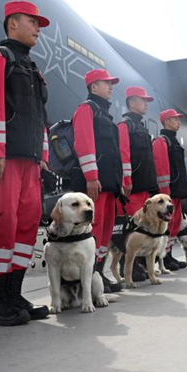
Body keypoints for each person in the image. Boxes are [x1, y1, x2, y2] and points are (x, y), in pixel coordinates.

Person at [0, 0, 51, 325]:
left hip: (29, 163)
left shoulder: (33, 69)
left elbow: (41, 119)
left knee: (26, 228)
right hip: (1, 162)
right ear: (12, 24)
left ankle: (13, 295)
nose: (37, 29)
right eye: (32, 22)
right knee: (1, 228)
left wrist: (44, 158)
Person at [71, 69, 124, 293]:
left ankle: (98, 275)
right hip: (96, 185)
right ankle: (87, 279)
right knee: (94, 229)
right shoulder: (86, 110)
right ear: (94, 87)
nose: (111, 87)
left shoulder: (105, 115)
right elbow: (84, 144)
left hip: (109, 185)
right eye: (106, 83)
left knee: (105, 231)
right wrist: (91, 177)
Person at [117, 86, 159, 281]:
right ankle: (129, 268)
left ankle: (140, 265)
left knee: (144, 227)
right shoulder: (125, 126)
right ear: (132, 102)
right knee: (133, 228)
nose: (146, 105)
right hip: (132, 187)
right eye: (143, 101)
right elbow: (124, 153)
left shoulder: (142, 127)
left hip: (145, 185)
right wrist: (127, 180)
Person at [153, 109, 187, 270]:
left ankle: (168, 255)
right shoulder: (162, 141)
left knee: (175, 224)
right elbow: (161, 168)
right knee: (167, 225)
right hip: (169, 192)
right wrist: (165, 193)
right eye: (175, 119)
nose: (178, 122)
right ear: (166, 122)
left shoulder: (174, 141)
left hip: (177, 190)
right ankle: (162, 258)